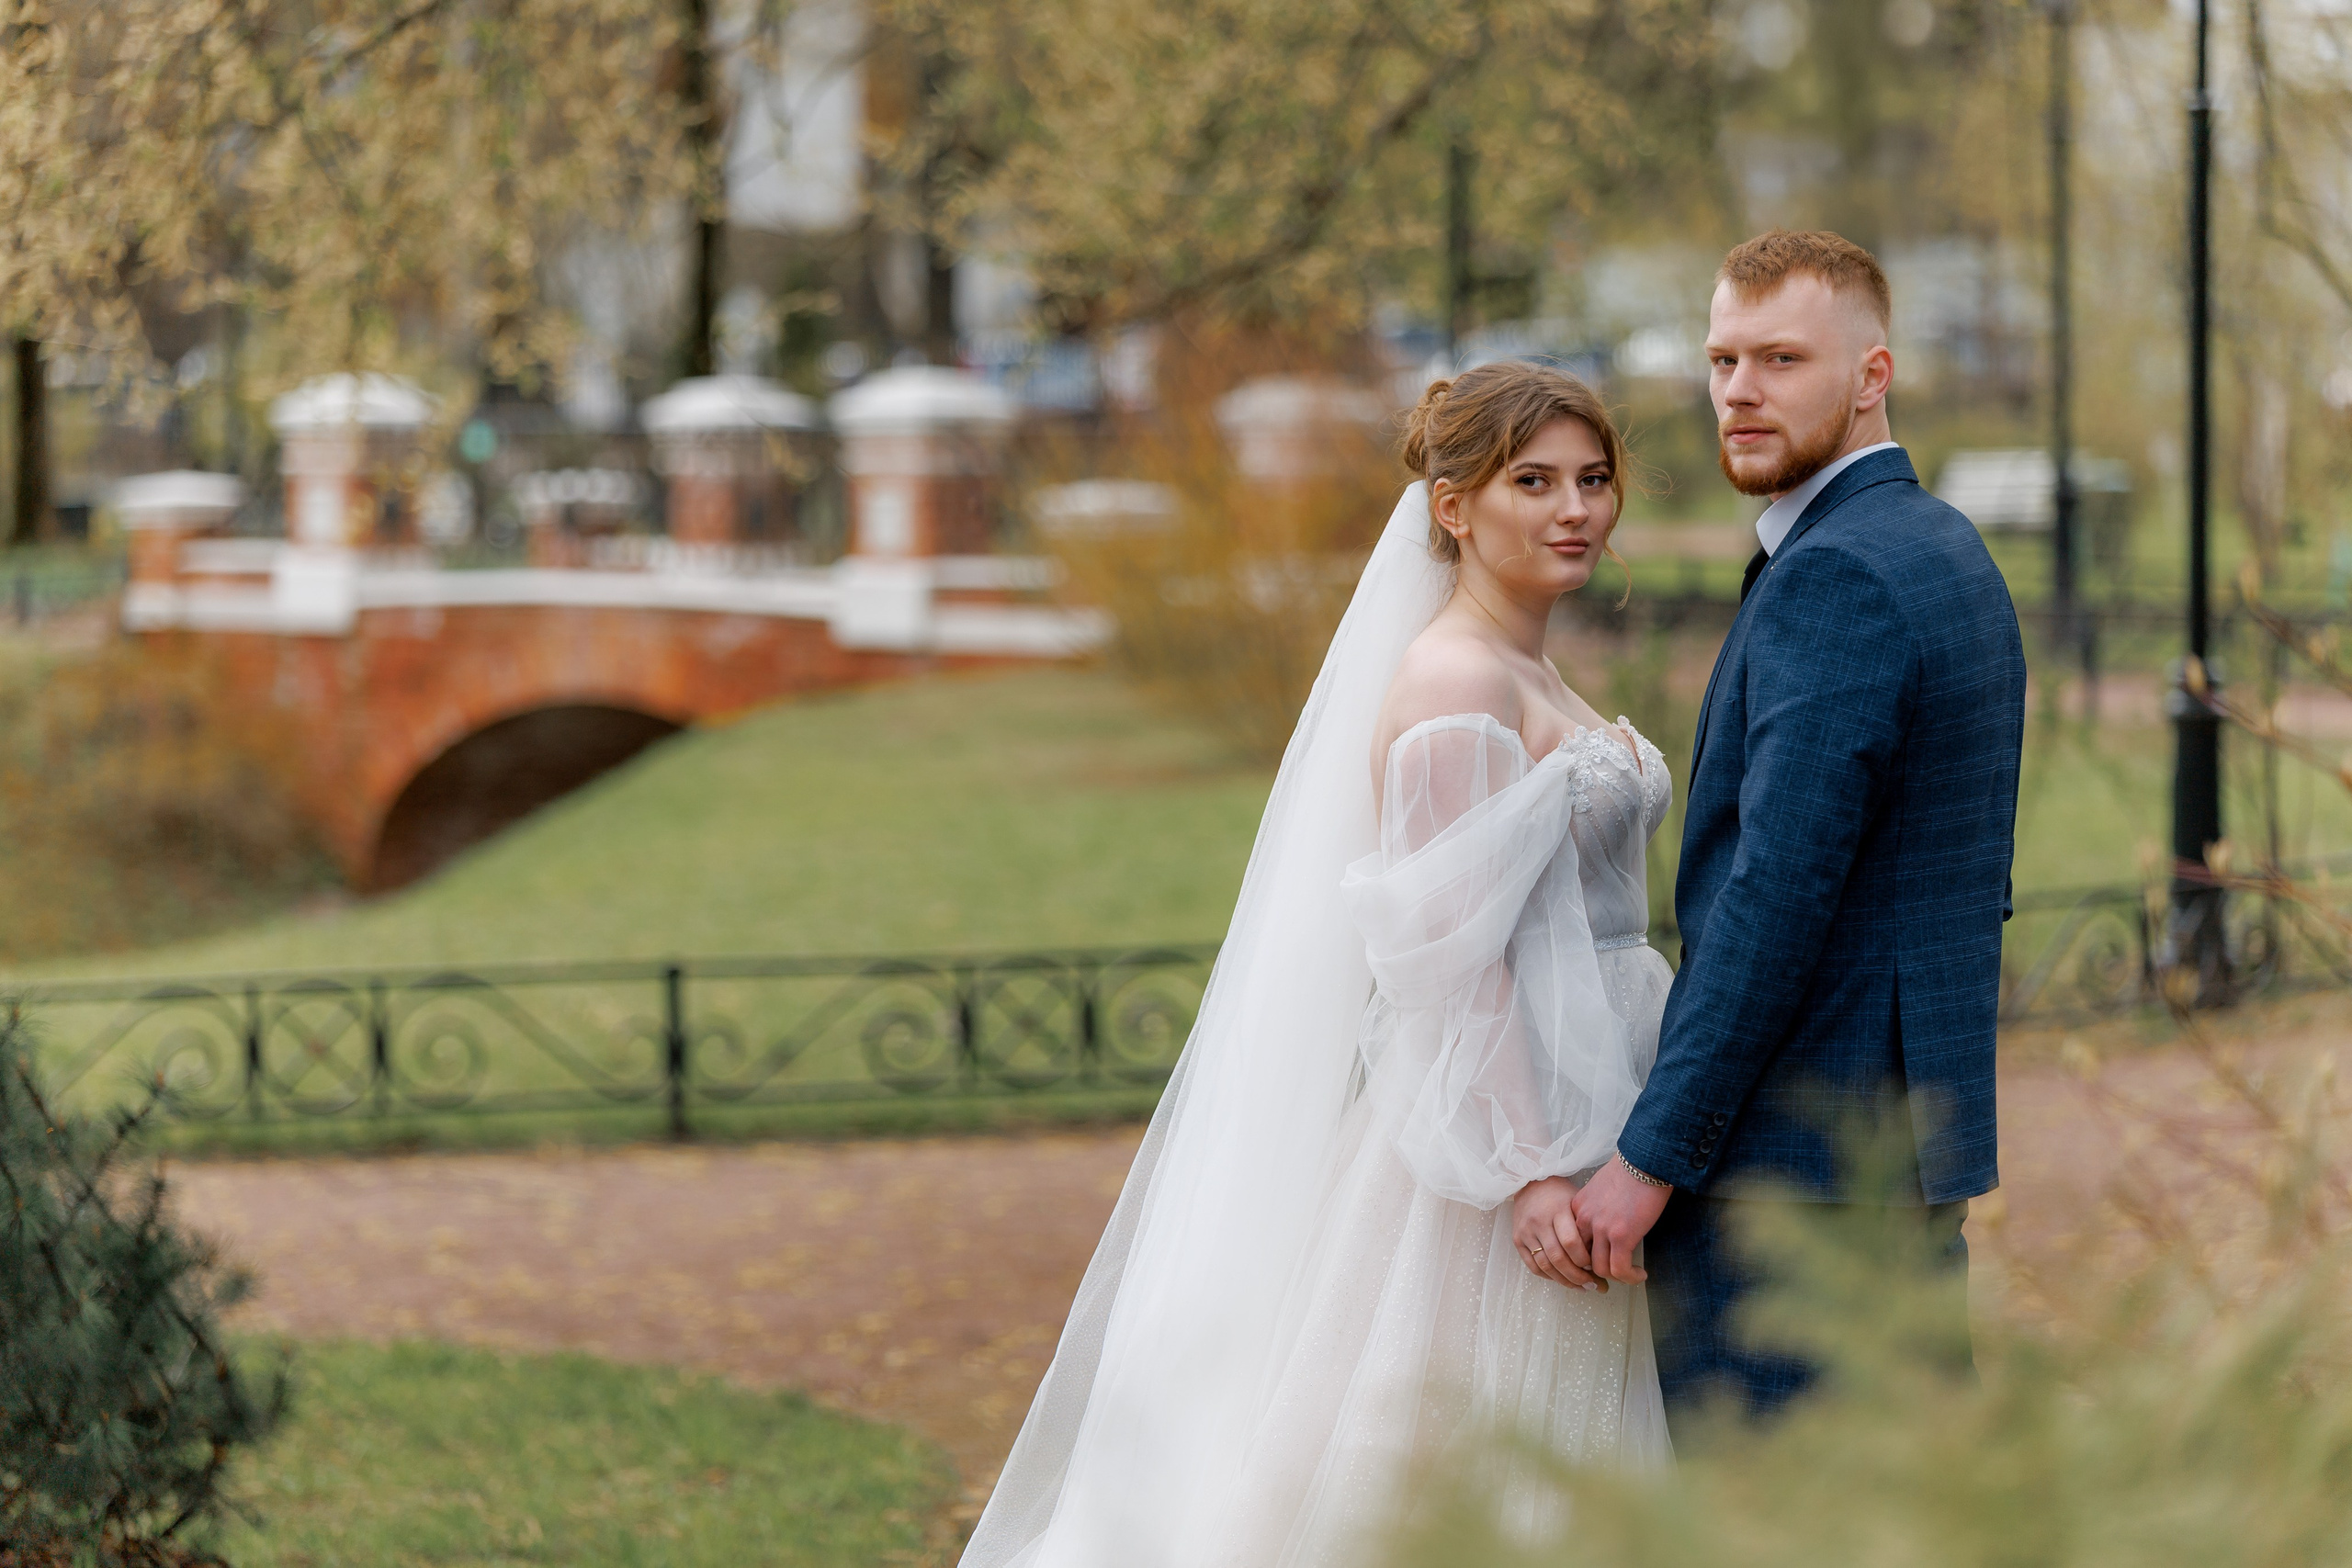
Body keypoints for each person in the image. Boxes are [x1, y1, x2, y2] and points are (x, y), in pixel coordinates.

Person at [957, 360, 1676, 1567]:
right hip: (1506, 1143)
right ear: (1454, 507)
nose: (1575, 509)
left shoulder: (1527, 667)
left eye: (1593, 479)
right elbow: (1453, 962)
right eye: (1534, 481)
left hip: (1592, 1094)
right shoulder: (1458, 682)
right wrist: (1531, 1174)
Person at [1569, 230, 2028, 1423]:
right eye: (1723, 360)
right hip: (1898, 1152)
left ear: (1873, 375)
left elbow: (1774, 895)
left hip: (1795, 1170)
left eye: (1781, 359)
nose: (1739, 391)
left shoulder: (1841, 576)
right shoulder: (1942, 546)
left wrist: (1653, 1155)